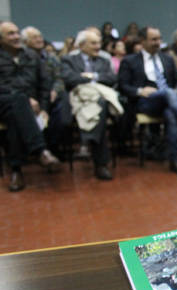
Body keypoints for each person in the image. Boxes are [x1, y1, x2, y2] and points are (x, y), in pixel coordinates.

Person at [118, 26, 177, 176]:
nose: (158, 42)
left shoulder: (167, 59)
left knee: (171, 114)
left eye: (159, 39)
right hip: (145, 102)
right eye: (153, 39)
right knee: (167, 93)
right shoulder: (130, 61)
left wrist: (176, 92)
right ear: (142, 41)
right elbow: (123, 86)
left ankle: (176, 161)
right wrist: (140, 91)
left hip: (169, 102)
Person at [0, 21, 61, 192]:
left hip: (23, 108)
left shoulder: (32, 56)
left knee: (15, 118)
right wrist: (26, 98)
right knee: (18, 100)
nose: (16, 37)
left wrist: (43, 108)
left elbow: (44, 84)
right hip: (2, 102)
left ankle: (16, 171)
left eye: (17, 32)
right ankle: (41, 150)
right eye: (10, 34)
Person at [62, 29, 121, 180]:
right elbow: (69, 79)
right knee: (98, 106)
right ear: (81, 45)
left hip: (100, 97)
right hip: (79, 98)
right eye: (93, 43)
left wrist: (90, 76)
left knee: (99, 104)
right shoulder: (69, 59)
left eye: (99, 43)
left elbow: (111, 79)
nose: (98, 46)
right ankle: (101, 164)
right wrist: (94, 80)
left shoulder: (103, 60)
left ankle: (88, 139)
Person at [21, 26, 70, 157]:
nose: (39, 39)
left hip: (50, 94)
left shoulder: (51, 58)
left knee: (61, 105)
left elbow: (59, 78)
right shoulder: (21, 59)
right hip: (29, 97)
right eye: (34, 37)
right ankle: (36, 149)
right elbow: (19, 82)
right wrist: (29, 97)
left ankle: (53, 146)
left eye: (40, 36)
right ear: (25, 42)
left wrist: (55, 90)